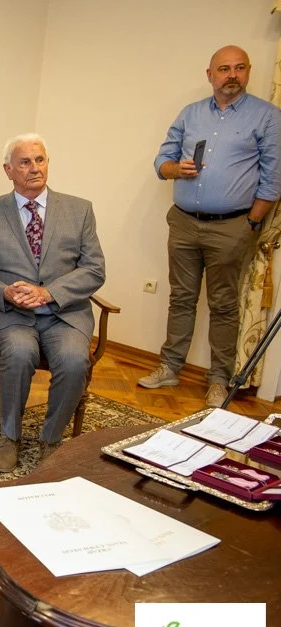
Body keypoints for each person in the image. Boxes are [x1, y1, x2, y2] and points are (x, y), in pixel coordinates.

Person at [139, 45, 281, 408]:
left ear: (248, 72)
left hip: (232, 227)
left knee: (224, 305)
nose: (231, 75)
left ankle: (218, 380)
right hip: (184, 222)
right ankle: (169, 366)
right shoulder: (191, 114)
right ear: (210, 74)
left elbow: (273, 178)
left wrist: (251, 222)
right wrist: (175, 169)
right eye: (223, 69)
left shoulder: (267, 117)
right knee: (181, 298)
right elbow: (161, 159)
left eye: (238, 68)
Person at [0, 133, 105, 472]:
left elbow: (94, 269)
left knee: (74, 362)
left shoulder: (79, 210)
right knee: (19, 353)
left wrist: (49, 292)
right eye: (24, 162)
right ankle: (10, 437)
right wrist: (4, 292)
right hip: (12, 315)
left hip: (64, 314)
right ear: (8, 170)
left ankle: (50, 439)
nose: (34, 168)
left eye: (39, 160)